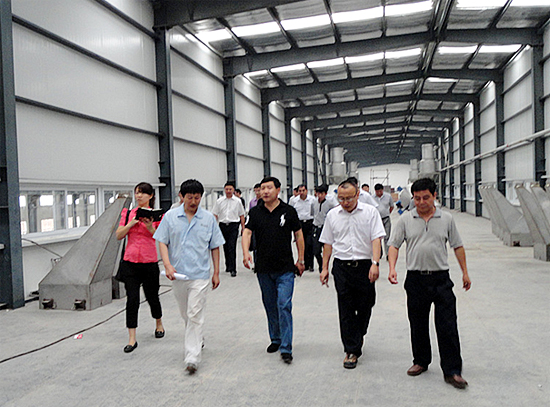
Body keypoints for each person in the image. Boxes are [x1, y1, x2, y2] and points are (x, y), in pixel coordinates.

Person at [388, 177, 471, 389]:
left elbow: (457, 246)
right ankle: (421, 361)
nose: (421, 202)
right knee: (418, 323)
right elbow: (394, 245)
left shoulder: (447, 219)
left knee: (448, 325)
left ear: (434, 196)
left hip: (441, 278)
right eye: (417, 198)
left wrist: (465, 272)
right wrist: (392, 268)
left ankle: (452, 370)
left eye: (426, 197)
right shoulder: (406, 219)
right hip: (415, 278)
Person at [154, 179, 225, 375]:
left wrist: (216, 272)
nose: (193, 201)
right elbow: (162, 241)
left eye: (197, 197)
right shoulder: (170, 217)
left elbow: (215, 246)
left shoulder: (208, 219)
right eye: (190, 197)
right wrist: (167, 265)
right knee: (186, 314)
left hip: (200, 275)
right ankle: (197, 338)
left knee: (194, 313)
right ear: (181, 197)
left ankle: (192, 357)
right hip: (178, 275)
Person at [319, 178, 385, 369]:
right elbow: (327, 243)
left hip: (364, 266)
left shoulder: (370, 212)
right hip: (342, 267)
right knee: (346, 307)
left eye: (349, 198)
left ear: (357, 195)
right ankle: (351, 350)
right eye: (341, 198)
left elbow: (376, 239)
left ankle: (358, 333)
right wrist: (324, 268)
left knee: (366, 304)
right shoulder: (333, 215)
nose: (345, 202)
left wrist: (375, 263)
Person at [242, 176, 305, 365]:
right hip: (263, 268)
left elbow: (298, 235)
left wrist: (301, 259)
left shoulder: (288, 211)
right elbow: (247, 232)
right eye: (262, 188)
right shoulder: (255, 212)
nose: (265, 191)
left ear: (278, 190)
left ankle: (286, 347)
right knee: (270, 305)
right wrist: (245, 253)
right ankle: (275, 338)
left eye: (269, 188)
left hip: (285, 268)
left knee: (284, 305)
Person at [116, 182, 164, 353]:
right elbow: (119, 235)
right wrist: (131, 224)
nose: (139, 196)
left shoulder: (157, 216)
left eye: (143, 193)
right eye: (137, 193)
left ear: (150, 196)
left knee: (152, 297)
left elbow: (161, 237)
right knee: (132, 299)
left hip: (149, 261)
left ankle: (159, 323)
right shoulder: (128, 213)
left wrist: (149, 226)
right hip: (130, 262)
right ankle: (132, 338)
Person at [212, 181, 245, 277]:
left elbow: (241, 215)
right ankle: (228, 265)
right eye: (226, 189)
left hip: (233, 225)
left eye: (230, 189)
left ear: (233, 190)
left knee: (232, 246)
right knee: (225, 246)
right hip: (222, 225)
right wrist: (213, 226)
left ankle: (233, 269)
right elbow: (215, 214)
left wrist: (243, 227)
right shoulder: (219, 201)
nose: (228, 191)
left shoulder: (238, 201)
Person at [312, 184, 338, 272]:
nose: (319, 195)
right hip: (316, 227)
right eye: (318, 193)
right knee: (316, 250)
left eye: (321, 193)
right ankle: (321, 264)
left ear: (325, 194)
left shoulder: (330, 202)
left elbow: (336, 210)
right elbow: (312, 212)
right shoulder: (314, 202)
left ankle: (326, 266)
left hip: (326, 227)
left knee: (327, 248)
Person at [290, 184, 316, 271]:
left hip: (309, 222)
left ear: (306, 191)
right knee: (301, 244)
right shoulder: (294, 201)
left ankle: (310, 264)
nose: (301, 193)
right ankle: (303, 263)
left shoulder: (312, 200)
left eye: (303, 190)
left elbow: (314, 211)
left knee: (309, 244)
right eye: (300, 191)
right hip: (299, 223)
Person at [373, 183, 394, 260]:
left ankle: (388, 253)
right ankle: (379, 253)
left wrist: (387, 213)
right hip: (377, 220)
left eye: (380, 191)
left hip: (386, 218)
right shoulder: (372, 198)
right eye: (377, 191)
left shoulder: (388, 196)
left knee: (387, 236)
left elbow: (392, 206)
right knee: (378, 237)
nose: (379, 193)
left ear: (383, 190)